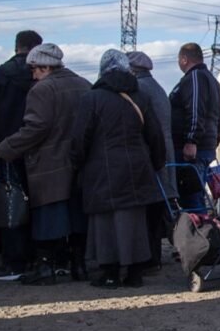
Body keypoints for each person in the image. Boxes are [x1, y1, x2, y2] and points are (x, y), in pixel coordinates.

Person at [0, 44, 92, 285]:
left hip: (49, 163)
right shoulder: (84, 84)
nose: (33, 75)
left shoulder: (42, 90)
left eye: (35, 69)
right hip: (81, 163)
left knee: (49, 218)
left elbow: (36, 127)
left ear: (47, 67)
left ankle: (46, 268)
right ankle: (79, 266)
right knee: (77, 217)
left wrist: (5, 148)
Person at [71, 50, 166, 289]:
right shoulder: (140, 97)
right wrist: (156, 163)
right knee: (134, 222)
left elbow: (79, 138)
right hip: (137, 166)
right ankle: (135, 274)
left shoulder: (91, 98)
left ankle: (110, 273)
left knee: (105, 222)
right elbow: (155, 135)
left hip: (101, 167)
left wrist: (77, 164)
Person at [0, 30, 42, 281]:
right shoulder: (39, 74)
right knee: (38, 204)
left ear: (16, 46)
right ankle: (37, 256)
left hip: (5, 148)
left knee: (11, 204)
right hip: (38, 148)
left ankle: (13, 260)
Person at [128, 50, 175, 273]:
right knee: (159, 208)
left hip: (153, 156)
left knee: (151, 210)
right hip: (165, 153)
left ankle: (149, 258)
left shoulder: (140, 90)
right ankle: (155, 258)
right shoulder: (156, 87)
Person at [169, 42, 220, 210]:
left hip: (193, 149)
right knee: (195, 195)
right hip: (204, 146)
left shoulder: (195, 77)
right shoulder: (212, 80)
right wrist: (215, 139)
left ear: (184, 59)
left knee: (192, 198)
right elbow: (219, 116)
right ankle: (199, 231)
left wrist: (192, 140)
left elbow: (195, 109)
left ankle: (197, 233)